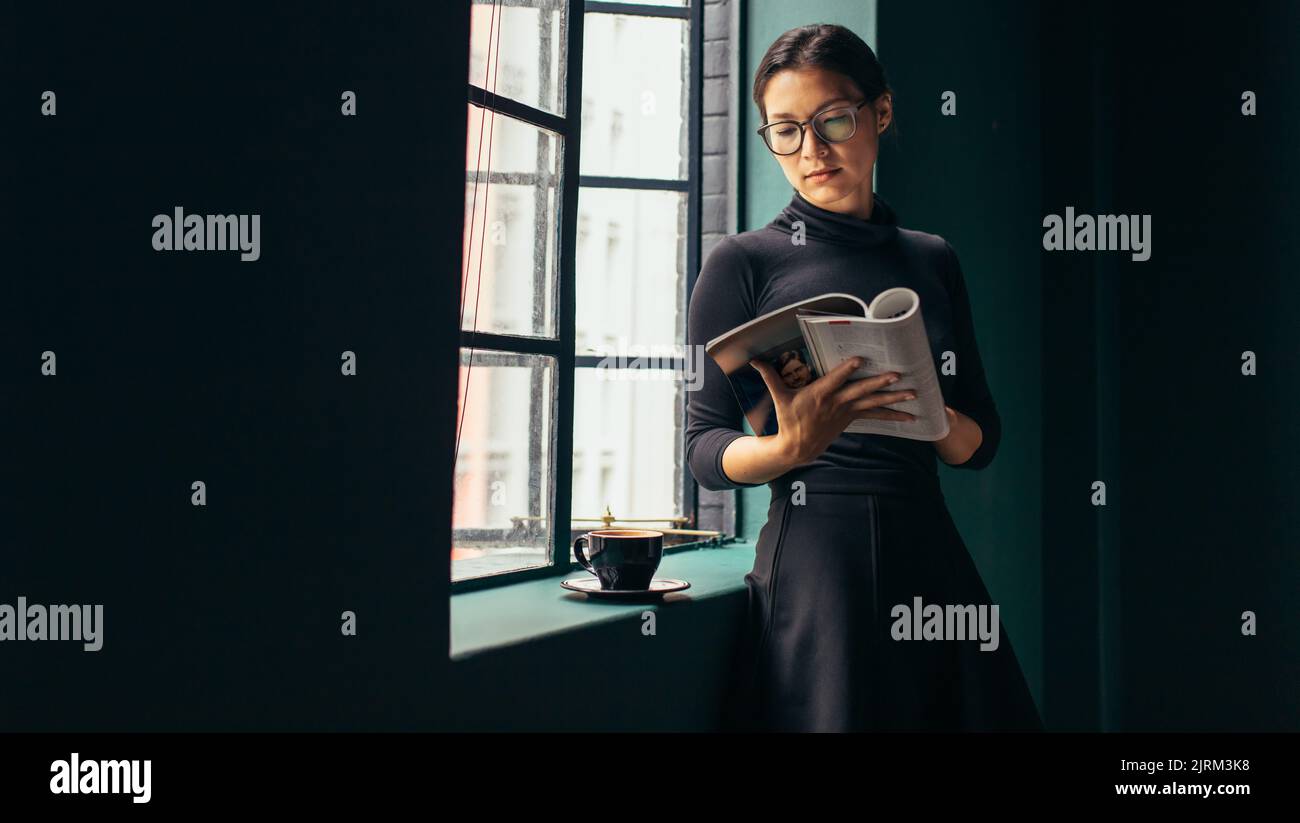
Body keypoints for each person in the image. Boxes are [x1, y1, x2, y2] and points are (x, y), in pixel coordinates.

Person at [685, 23, 1043, 732]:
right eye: (784, 131)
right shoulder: (742, 263)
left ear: (880, 112)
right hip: (817, 564)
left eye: (832, 121)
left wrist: (932, 414)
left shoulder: (932, 258)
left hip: (929, 549)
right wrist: (789, 448)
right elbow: (703, 451)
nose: (811, 151)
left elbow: (982, 439)